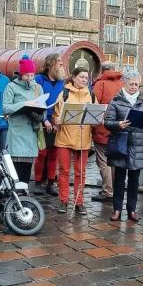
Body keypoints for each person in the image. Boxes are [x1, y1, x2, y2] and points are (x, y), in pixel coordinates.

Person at [104, 70, 143, 221]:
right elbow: (107, 122)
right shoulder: (116, 101)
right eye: (132, 84)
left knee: (134, 180)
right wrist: (118, 124)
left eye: (137, 84)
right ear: (124, 83)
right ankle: (117, 209)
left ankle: (132, 210)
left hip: (139, 144)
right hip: (121, 143)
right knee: (119, 179)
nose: (135, 87)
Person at [52, 67, 94, 215]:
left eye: (86, 78)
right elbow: (56, 115)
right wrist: (57, 120)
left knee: (81, 173)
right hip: (65, 137)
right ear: (74, 77)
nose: (84, 80)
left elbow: (95, 114)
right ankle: (63, 200)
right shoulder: (64, 93)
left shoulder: (91, 94)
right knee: (64, 171)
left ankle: (79, 202)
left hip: (84, 138)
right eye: (81, 77)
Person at [3, 55, 44, 183]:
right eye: (27, 75)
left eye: (32, 75)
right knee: (15, 168)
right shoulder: (11, 86)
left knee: (26, 168)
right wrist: (24, 104)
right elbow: (5, 108)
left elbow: (43, 105)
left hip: (31, 131)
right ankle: (14, 194)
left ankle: (24, 194)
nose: (29, 78)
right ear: (21, 74)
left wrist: (40, 113)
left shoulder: (37, 87)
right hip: (17, 132)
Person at [91, 61, 123, 202]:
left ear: (102, 71)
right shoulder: (122, 84)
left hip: (102, 127)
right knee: (115, 161)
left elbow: (94, 107)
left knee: (103, 161)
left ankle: (107, 191)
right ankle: (116, 189)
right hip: (118, 127)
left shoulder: (100, 84)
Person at [33, 53, 65, 195]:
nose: (61, 64)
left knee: (54, 153)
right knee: (42, 152)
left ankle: (51, 182)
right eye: (58, 61)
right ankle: (39, 182)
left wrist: (59, 120)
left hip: (57, 121)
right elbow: (37, 101)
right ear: (50, 64)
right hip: (42, 119)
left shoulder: (62, 82)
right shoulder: (39, 80)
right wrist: (44, 119)